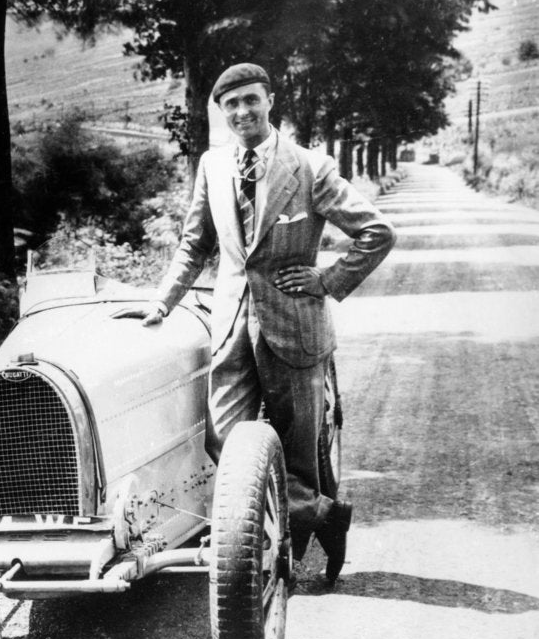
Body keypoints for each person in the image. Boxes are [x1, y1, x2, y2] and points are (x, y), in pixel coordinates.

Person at [118, 63, 395, 584]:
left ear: (270, 100)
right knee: (223, 441)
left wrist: (327, 280)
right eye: (231, 104)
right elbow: (194, 244)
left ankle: (281, 554)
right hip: (229, 327)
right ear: (220, 113)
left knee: (300, 452)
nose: (242, 111)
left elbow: (377, 232)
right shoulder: (212, 165)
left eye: (250, 100)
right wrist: (162, 303)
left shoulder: (310, 167)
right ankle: (319, 516)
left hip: (294, 326)